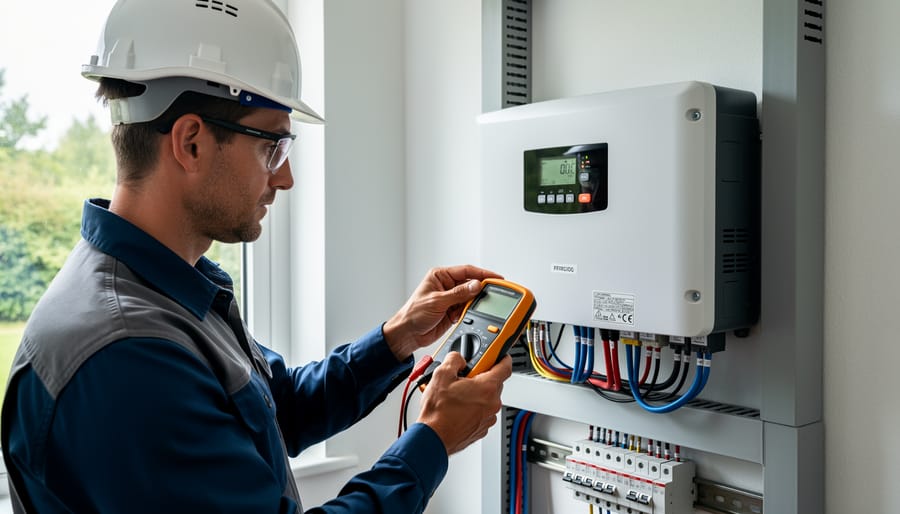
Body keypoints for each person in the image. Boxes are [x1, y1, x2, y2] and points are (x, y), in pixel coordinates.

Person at [0, 0, 512, 512]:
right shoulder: (126, 356)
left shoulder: (168, 288)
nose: (284, 178)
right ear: (192, 143)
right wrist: (432, 440)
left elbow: (276, 409)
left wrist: (396, 339)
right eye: (274, 147)